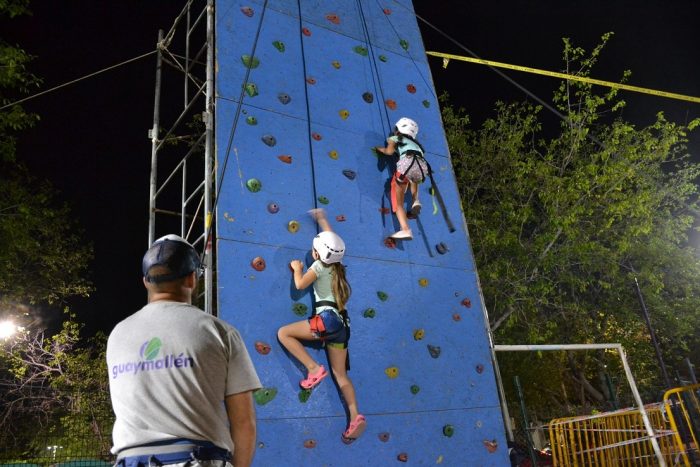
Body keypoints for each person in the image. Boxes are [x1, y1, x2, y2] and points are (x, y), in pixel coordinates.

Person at [106, 234, 262, 467]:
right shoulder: (218, 331)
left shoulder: (118, 334)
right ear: (191, 279)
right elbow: (244, 423)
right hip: (198, 460)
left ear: (146, 282)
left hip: (130, 461)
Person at [277, 209, 366, 444]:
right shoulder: (338, 266)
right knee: (341, 375)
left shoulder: (317, 267)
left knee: (284, 333)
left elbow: (299, 285)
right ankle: (355, 415)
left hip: (325, 321)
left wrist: (297, 268)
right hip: (342, 326)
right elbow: (332, 242)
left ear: (317, 253)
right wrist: (323, 219)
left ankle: (313, 368)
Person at [374, 117, 429, 240]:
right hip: (421, 167)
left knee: (398, 201)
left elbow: (388, 152)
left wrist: (379, 149)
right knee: (413, 177)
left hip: (406, 164)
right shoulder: (418, 146)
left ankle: (405, 229)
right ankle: (416, 199)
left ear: (399, 129)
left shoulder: (395, 138)